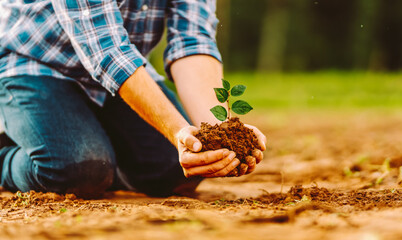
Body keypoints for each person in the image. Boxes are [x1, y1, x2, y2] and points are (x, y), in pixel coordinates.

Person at [0, 0, 266, 198]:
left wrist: (220, 135)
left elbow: (192, 41)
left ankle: (93, 151)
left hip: (122, 74)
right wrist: (176, 131)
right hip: (35, 65)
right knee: (77, 171)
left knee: (170, 170)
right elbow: (107, 50)